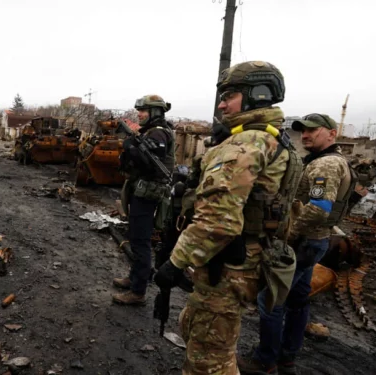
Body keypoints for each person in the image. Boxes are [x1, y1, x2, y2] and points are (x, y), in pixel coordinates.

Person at [154, 61, 300, 375]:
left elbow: (218, 222)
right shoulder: (275, 140)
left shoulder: (245, 144)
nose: (221, 103)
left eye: (230, 95)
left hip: (228, 264)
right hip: (246, 257)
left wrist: (174, 263)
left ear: (258, 96)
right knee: (205, 334)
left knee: (208, 358)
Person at [238, 113, 356, 375]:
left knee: (270, 300)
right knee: (298, 300)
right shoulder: (325, 161)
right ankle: (287, 359)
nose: (306, 135)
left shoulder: (325, 165)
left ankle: (265, 361)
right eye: (303, 131)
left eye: (313, 131)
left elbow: (319, 208)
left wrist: (290, 235)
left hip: (303, 242)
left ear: (331, 134)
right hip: (316, 241)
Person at [112, 95, 175, 305]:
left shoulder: (158, 133)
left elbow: (149, 163)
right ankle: (134, 278)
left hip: (148, 193)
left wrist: (130, 147)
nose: (139, 114)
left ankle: (138, 291)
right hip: (141, 190)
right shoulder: (151, 132)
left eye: (144, 110)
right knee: (136, 236)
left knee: (140, 240)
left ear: (155, 112)